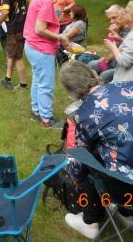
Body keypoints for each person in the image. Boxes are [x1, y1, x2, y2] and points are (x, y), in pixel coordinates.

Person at [59, 61, 133, 239]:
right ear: (93, 75)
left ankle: (89, 222)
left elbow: (80, 159)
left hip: (127, 186)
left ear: (72, 93)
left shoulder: (86, 114)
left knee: (83, 162)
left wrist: (74, 174)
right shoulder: (127, 86)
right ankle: (127, 214)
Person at [23, 0, 69, 128]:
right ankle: (47, 119)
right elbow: (40, 29)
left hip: (31, 46)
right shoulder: (46, 0)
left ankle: (36, 111)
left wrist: (55, 17)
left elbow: (40, 21)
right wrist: (60, 37)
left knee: (38, 80)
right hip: (41, 48)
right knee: (46, 84)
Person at [88, 4, 129, 84]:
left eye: (114, 17)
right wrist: (106, 59)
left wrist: (118, 39)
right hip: (115, 62)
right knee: (92, 65)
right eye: (110, 19)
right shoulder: (119, 29)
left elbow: (125, 50)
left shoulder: (129, 30)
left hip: (125, 66)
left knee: (104, 75)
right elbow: (113, 48)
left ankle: (106, 93)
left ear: (124, 15)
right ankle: (90, 90)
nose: (111, 22)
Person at [104, 1, 133, 82]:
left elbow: (125, 61)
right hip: (121, 68)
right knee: (100, 65)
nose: (111, 21)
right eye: (109, 19)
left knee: (103, 73)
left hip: (126, 78)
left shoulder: (130, 33)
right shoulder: (128, 32)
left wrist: (112, 46)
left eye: (126, 12)